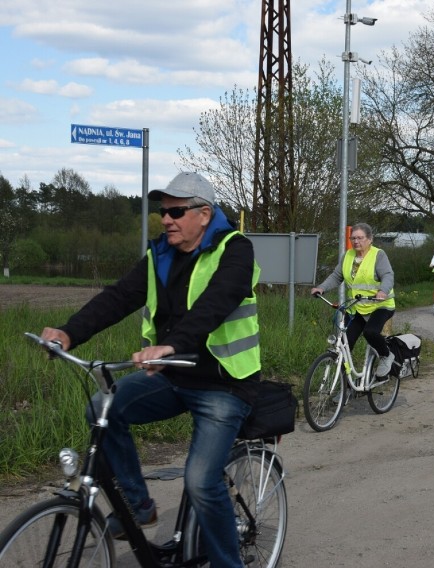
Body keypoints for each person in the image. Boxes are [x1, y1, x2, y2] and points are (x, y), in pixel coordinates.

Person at [40, 172, 261, 567]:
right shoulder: (160, 254)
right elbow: (119, 297)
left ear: (204, 214)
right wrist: (69, 333)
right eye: (163, 212)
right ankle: (139, 506)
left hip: (224, 386)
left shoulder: (235, 249)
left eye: (176, 211)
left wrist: (173, 343)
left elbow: (218, 301)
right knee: (102, 407)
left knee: (199, 481)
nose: (166, 219)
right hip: (174, 377)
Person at [311, 223, 396, 377]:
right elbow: (337, 276)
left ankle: (386, 355)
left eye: (360, 238)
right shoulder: (348, 255)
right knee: (344, 346)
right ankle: (346, 388)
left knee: (370, 332)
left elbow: (388, 275)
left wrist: (383, 291)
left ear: (369, 239)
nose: (356, 241)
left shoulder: (378, 255)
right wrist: (321, 288)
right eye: (353, 238)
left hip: (380, 306)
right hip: (357, 307)